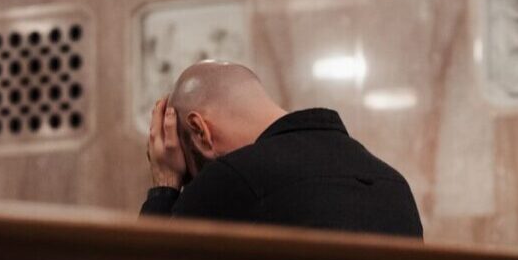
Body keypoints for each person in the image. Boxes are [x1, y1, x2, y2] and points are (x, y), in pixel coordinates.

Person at [141, 61, 423, 238]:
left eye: (190, 176)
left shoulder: (229, 179)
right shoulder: (393, 184)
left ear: (200, 131)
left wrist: (165, 186)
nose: (194, 182)